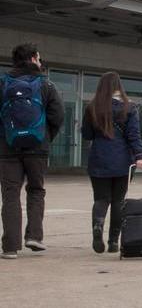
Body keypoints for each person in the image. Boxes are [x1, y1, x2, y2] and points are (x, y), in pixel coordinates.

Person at [0, 43, 63, 259]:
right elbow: (58, 116)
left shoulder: (3, 83)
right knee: (36, 190)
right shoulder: (46, 85)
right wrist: (45, 137)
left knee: (10, 195)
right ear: (34, 58)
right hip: (37, 149)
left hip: (8, 148)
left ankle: (10, 247)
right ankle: (34, 236)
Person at [82, 72, 142, 253]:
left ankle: (97, 227)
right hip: (123, 160)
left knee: (101, 198)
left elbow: (86, 134)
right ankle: (113, 242)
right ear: (119, 86)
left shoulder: (92, 107)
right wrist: (140, 155)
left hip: (99, 158)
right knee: (118, 201)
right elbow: (134, 134)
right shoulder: (129, 107)